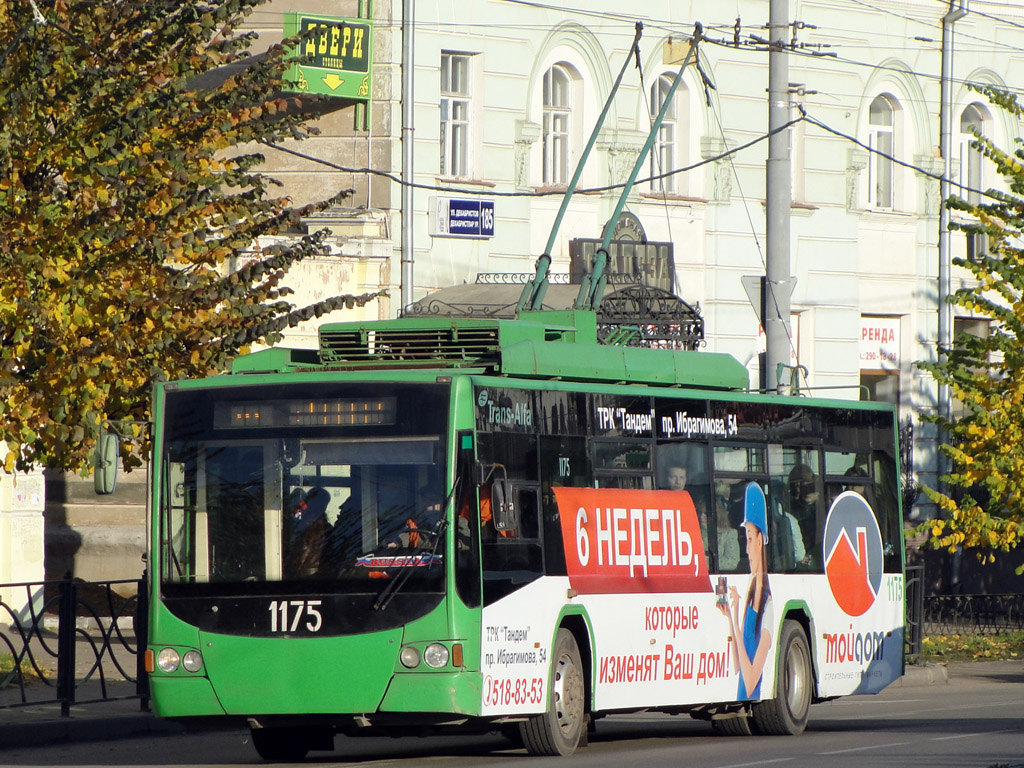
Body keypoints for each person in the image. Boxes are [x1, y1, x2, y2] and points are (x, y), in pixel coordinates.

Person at [718, 482, 774, 700]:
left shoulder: (768, 608)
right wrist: (731, 616)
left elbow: (750, 683)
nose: (747, 548)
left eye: (749, 538)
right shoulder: (750, 591)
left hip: (747, 694)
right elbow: (736, 667)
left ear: (760, 540)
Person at [285, 486, 329, 577]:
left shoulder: (307, 530)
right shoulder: (327, 528)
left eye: (306, 502)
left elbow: (297, 564)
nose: (302, 505)